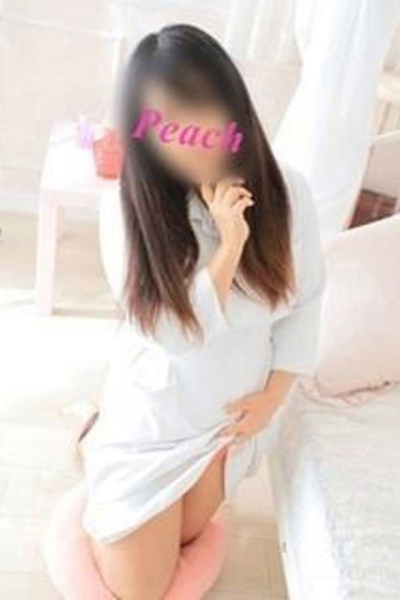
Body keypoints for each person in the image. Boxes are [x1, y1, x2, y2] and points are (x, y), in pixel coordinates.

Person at [78, 23, 327, 600]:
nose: (190, 135)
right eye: (166, 123)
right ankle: (96, 443)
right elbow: (169, 333)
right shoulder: (125, 212)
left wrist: (272, 398)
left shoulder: (289, 193)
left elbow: (307, 300)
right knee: (142, 590)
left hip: (225, 427)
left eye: (201, 109)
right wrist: (229, 246)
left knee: (188, 536)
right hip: (155, 422)